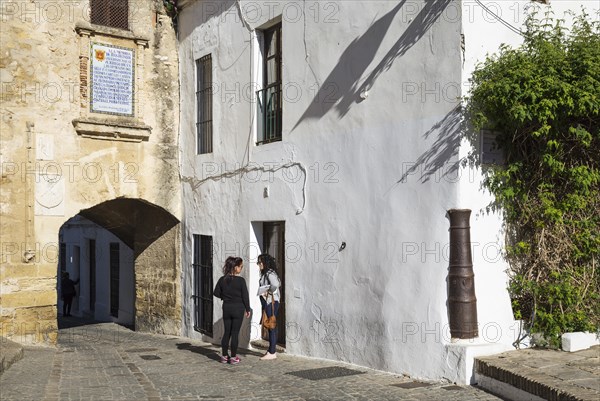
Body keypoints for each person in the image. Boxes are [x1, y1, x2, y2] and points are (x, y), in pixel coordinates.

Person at [213, 257, 251, 365]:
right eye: (240, 266)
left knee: (227, 332)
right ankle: (233, 357)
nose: (241, 268)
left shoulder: (222, 279)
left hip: (227, 308)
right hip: (238, 309)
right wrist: (247, 309)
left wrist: (224, 296)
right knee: (235, 333)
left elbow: (216, 293)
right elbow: (245, 297)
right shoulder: (241, 281)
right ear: (235, 267)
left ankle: (224, 356)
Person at [257, 253, 281, 360]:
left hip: (272, 302)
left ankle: (272, 352)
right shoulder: (266, 273)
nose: (259, 264)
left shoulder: (269, 273)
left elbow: (276, 284)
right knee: (270, 325)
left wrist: (268, 291)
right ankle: (271, 350)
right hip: (268, 302)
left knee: (271, 326)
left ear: (265, 262)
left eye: (260, 262)